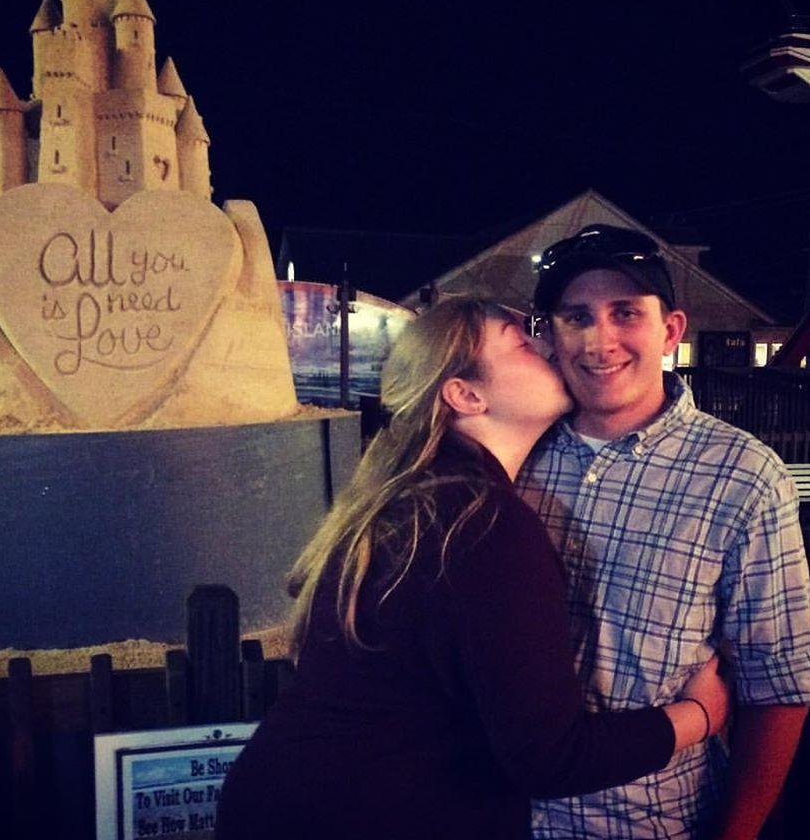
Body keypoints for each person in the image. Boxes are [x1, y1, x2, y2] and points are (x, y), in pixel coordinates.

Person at [215, 297, 730, 840]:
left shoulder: (420, 499)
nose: (548, 346)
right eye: (520, 342)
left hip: (295, 802)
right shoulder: (481, 525)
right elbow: (550, 757)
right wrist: (698, 715)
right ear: (465, 394)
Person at [520, 224, 810, 839]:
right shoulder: (514, 449)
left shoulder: (744, 475)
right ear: (549, 336)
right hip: (499, 815)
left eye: (625, 313)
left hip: (655, 824)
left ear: (670, 330)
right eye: (576, 316)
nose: (599, 340)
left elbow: (779, 681)